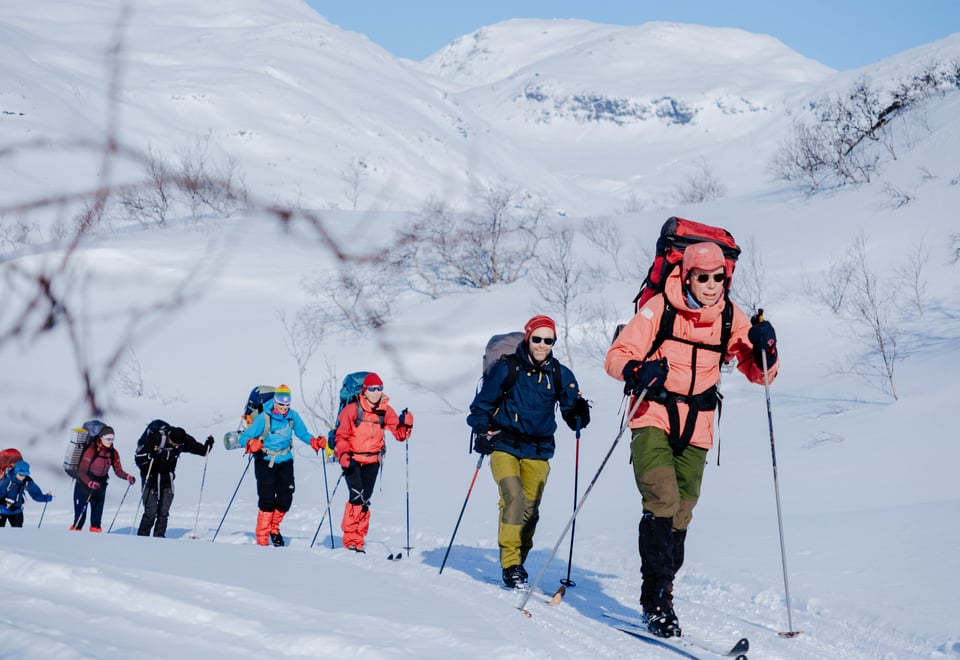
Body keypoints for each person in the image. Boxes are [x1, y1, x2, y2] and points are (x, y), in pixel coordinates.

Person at [605, 241, 779, 638]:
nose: (712, 284)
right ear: (687, 276)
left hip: (698, 423)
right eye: (703, 277)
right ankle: (657, 600)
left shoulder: (730, 317)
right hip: (653, 414)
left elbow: (761, 373)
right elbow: (616, 356)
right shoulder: (659, 309)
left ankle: (664, 586)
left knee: (682, 511)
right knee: (662, 500)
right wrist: (635, 370)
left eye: (719, 277)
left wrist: (767, 347)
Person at [467, 315, 591, 589]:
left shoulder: (560, 374)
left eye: (549, 340)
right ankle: (510, 564)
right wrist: (481, 431)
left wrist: (580, 413)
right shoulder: (506, 368)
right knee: (514, 498)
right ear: (528, 338)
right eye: (537, 339)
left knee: (530, 510)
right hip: (504, 445)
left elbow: (573, 416)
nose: (542, 345)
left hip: (539, 449)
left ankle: (518, 562)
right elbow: (481, 406)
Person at [333, 373, 413, 553]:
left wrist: (407, 425)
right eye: (372, 389)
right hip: (352, 459)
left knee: (365, 500)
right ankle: (350, 539)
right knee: (356, 496)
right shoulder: (352, 410)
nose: (376, 392)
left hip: (373, 461)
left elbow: (400, 435)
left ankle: (359, 539)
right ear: (364, 391)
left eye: (379, 388)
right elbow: (341, 435)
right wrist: (343, 453)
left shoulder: (386, 410)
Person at [238, 384, 324, 547]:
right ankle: (263, 538)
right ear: (275, 402)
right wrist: (252, 443)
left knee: (286, 498)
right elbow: (244, 438)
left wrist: (314, 441)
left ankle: (274, 528)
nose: (284, 408)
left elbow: (303, 433)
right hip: (265, 461)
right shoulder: (264, 417)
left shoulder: (292, 417)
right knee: (267, 500)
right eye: (281, 404)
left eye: (287, 405)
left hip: (285, 460)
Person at [134, 420, 215, 538]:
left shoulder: (182, 440)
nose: (176, 446)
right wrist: (148, 456)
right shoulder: (157, 438)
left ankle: (159, 539)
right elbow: (138, 459)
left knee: (163, 512)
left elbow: (201, 451)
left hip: (167, 478)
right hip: (150, 477)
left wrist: (208, 445)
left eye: (178, 445)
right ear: (169, 436)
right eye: (174, 444)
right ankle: (142, 538)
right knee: (150, 512)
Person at [72, 425, 136, 532]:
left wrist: (128, 477)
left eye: (112, 439)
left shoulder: (113, 453)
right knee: (80, 519)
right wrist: (89, 483)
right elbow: (82, 472)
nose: (110, 441)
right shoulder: (91, 450)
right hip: (83, 486)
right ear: (101, 438)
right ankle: (73, 541)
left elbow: (118, 470)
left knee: (96, 521)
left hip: (100, 487)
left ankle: (95, 542)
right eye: (108, 438)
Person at [0, 461, 52, 527]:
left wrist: (44, 498)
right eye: (21, 474)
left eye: (25, 474)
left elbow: (35, 493)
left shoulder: (27, 481)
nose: (23, 477)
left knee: (18, 533)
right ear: (16, 472)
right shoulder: (7, 480)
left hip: (16, 510)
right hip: (2, 510)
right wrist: (1, 507)